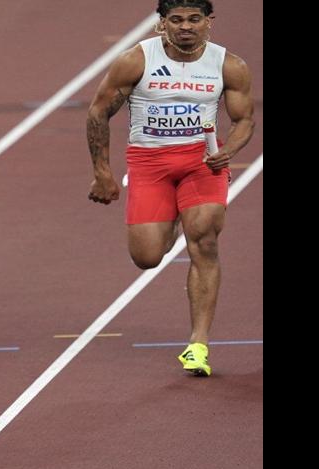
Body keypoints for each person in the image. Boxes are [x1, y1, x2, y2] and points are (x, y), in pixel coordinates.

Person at [86, 1, 254, 376]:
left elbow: (244, 119)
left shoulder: (229, 65)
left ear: (209, 22)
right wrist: (102, 173)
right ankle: (174, 219)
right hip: (150, 166)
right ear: (162, 24)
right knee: (147, 257)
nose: (186, 27)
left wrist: (229, 150)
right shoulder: (136, 61)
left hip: (201, 163)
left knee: (205, 239)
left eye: (194, 20)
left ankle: (198, 344)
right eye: (176, 20)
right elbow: (99, 111)